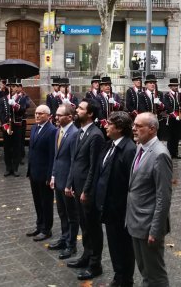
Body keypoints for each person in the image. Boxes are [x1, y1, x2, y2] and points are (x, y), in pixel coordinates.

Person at [127, 112, 173, 287]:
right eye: (134, 125)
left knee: (155, 274)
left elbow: (164, 197)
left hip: (148, 226)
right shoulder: (141, 147)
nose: (134, 129)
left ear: (152, 129)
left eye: (139, 126)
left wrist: (155, 230)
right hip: (136, 222)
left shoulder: (160, 154)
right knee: (145, 270)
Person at [93, 111, 136, 287]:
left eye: (109, 123)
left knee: (124, 246)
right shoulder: (109, 145)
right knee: (114, 245)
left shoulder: (129, 149)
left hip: (120, 209)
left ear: (118, 128)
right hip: (108, 207)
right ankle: (118, 276)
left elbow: (131, 183)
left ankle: (125, 279)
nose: (105, 125)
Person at [65, 99, 106, 280]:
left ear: (90, 114)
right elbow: (75, 162)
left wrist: (86, 191)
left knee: (93, 227)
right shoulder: (80, 132)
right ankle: (86, 256)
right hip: (77, 186)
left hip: (87, 191)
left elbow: (93, 167)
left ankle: (95, 264)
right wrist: (69, 183)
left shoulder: (96, 135)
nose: (77, 110)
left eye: (81, 108)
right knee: (84, 225)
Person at [49, 103, 80, 260]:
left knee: (71, 214)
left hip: (68, 181)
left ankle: (71, 244)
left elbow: (74, 161)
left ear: (70, 117)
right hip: (58, 179)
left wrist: (69, 184)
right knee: (61, 212)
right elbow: (56, 156)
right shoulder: (58, 131)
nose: (56, 117)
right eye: (56, 114)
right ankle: (64, 237)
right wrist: (53, 175)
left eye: (60, 115)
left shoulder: (75, 134)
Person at [26, 105, 56, 242]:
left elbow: (52, 155)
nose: (37, 116)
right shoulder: (34, 128)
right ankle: (39, 225)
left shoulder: (52, 131)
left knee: (46, 202)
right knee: (37, 201)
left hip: (44, 174)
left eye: (40, 113)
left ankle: (46, 229)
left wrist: (50, 175)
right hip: (34, 172)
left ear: (48, 116)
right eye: (36, 113)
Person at [0, 77, 30, 176]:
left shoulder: (22, 98)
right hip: (7, 127)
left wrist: (15, 105)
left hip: (17, 127)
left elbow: (23, 110)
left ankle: (15, 167)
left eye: (13, 86)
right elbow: (1, 114)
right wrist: (6, 126)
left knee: (16, 147)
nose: (11, 88)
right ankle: (8, 167)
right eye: (9, 86)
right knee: (7, 148)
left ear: (17, 88)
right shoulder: (4, 99)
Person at [139, 74, 166, 139]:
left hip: (158, 121)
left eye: (154, 83)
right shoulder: (141, 95)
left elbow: (164, 108)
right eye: (150, 83)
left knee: (157, 140)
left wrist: (159, 103)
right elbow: (142, 109)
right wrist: (151, 116)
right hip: (147, 122)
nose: (153, 84)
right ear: (146, 85)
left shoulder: (159, 94)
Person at [163, 78, 181, 159]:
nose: (176, 87)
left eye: (176, 85)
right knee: (170, 137)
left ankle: (175, 152)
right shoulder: (167, 95)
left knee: (176, 136)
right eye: (174, 86)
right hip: (171, 118)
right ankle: (170, 153)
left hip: (178, 118)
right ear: (170, 87)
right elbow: (167, 106)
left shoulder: (179, 95)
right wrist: (175, 115)